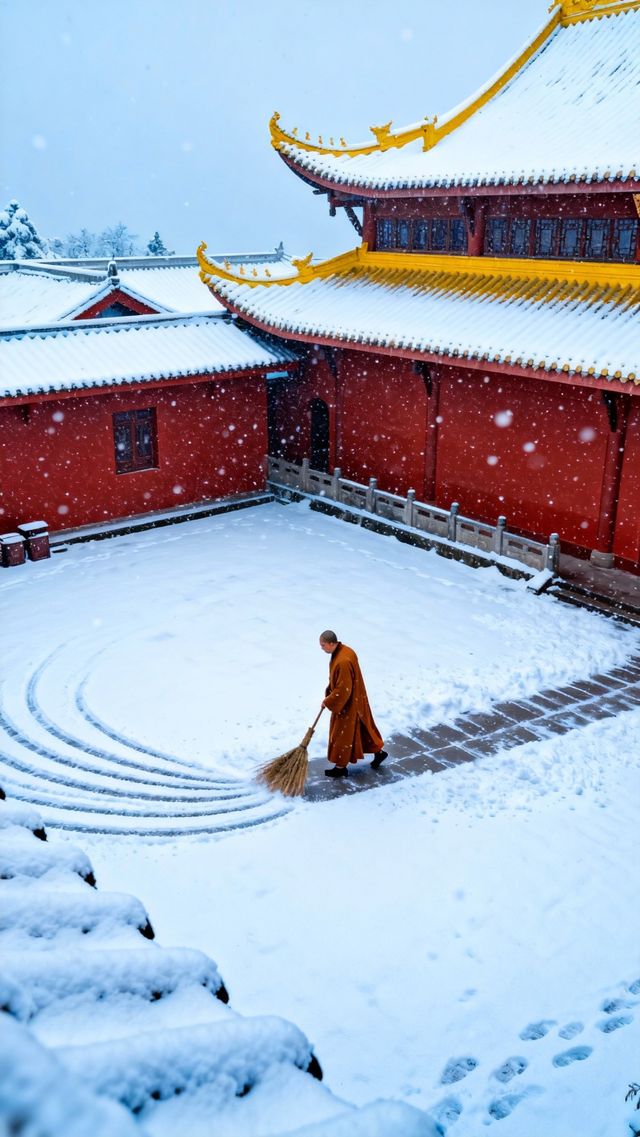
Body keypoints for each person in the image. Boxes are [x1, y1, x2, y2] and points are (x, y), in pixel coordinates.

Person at [319, 630, 387, 778]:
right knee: (362, 729)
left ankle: (340, 767)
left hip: (348, 704)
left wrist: (328, 701)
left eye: (323, 645)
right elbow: (340, 681)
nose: (322, 648)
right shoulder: (346, 651)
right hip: (356, 699)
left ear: (331, 643)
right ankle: (379, 754)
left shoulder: (342, 661)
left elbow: (343, 689)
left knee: (342, 735)